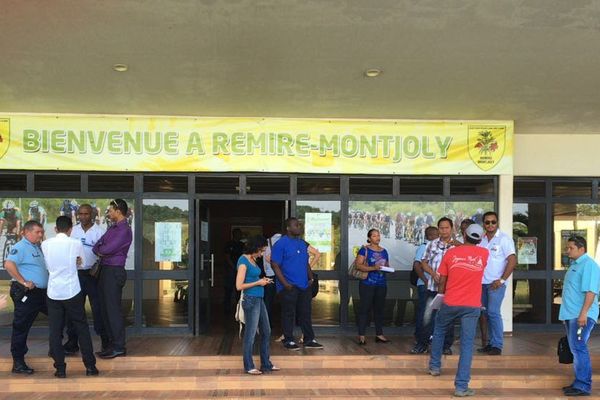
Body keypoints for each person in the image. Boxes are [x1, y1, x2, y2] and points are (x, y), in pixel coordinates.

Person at [428, 224, 489, 398]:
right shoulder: (484, 254)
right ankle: (461, 387)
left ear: (464, 234)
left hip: (450, 301)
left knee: (439, 330)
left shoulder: (451, 253)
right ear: (480, 237)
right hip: (471, 305)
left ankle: (434, 367)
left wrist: (440, 296)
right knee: (467, 344)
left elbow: (442, 280)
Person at [42, 216, 98, 378]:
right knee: (81, 327)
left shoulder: (45, 244)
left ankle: (60, 369)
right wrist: (76, 262)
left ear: (55, 229)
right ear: (70, 229)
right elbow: (83, 263)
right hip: (72, 290)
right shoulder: (75, 243)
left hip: (53, 291)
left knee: (55, 330)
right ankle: (90, 367)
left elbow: (47, 265)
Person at [271, 217, 323, 351]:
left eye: (299, 225)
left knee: (305, 313)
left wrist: (310, 277)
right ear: (288, 228)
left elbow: (305, 262)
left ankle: (309, 339)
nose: (299, 227)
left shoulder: (302, 243)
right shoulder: (281, 243)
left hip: (304, 285)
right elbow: (275, 264)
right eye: (296, 225)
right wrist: (285, 284)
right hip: (288, 286)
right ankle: (288, 340)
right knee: (289, 313)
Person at [63, 204, 108, 354]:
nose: (83, 216)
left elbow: (105, 253)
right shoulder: (73, 231)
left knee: (98, 309)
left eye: (86, 214)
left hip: (93, 276)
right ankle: (72, 342)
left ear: (93, 214)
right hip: (77, 275)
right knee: (74, 310)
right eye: (80, 214)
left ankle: (105, 341)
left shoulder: (100, 232)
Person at [4, 220, 48, 374]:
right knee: (21, 326)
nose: (40, 235)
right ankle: (18, 362)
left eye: (41, 232)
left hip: (42, 294)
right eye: (37, 232)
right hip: (27, 293)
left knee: (60, 315)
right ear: (27, 232)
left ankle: (60, 349)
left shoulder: (37, 247)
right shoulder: (20, 247)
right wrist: (23, 282)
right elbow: (9, 264)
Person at [559, 236, 600, 397]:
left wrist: (583, 314)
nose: (567, 250)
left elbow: (591, 291)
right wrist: (565, 315)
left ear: (581, 249)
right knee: (575, 348)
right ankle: (578, 383)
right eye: (567, 248)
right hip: (571, 315)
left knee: (578, 347)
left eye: (571, 248)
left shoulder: (588, 265)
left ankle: (583, 385)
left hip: (581, 316)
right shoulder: (575, 265)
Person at [93, 199, 133, 359]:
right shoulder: (112, 228)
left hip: (114, 271)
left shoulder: (124, 230)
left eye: (110, 210)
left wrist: (102, 249)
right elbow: (97, 246)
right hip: (105, 270)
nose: (108, 213)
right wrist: (101, 249)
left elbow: (107, 248)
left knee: (113, 310)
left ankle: (119, 346)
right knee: (104, 309)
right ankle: (110, 345)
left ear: (118, 211)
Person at [236, 235, 279, 375]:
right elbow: (239, 285)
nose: (262, 254)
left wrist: (263, 280)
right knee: (251, 334)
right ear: (255, 248)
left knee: (266, 331)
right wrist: (258, 283)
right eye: (261, 251)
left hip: (259, 299)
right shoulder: (243, 261)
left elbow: (253, 277)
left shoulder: (252, 259)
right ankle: (249, 366)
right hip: (250, 300)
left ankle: (266, 364)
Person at [478, 211, 516, 355]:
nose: (490, 225)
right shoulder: (480, 239)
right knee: (485, 314)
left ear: (497, 222)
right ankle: (490, 343)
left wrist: (501, 280)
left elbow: (512, 261)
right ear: (484, 224)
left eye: (493, 222)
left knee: (493, 313)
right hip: (481, 283)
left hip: (496, 284)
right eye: (487, 222)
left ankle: (497, 345)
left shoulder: (504, 239)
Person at [419, 217, 457, 355]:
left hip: (450, 289)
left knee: (449, 318)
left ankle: (446, 346)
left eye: (447, 228)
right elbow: (423, 262)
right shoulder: (432, 244)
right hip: (433, 287)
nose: (444, 230)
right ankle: (422, 344)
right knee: (427, 317)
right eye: (441, 228)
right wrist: (433, 273)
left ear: (451, 229)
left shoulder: (457, 246)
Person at [355, 229, 390, 345]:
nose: (377, 237)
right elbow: (358, 266)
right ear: (369, 238)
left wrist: (387, 268)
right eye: (374, 236)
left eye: (378, 235)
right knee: (365, 309)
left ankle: (379, 334)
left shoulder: (384, 251)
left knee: (379, 310)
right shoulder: (364, 250)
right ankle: (361, 335)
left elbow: (387, 265)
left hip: (381, 284)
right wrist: (373, 268)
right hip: (367, 284)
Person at [410, 226, 439, 354]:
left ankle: (428, 338)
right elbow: (417, 264)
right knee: (425, 314)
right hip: (425, 285)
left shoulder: (438, 247)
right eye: (436, 234)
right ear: (430, 236)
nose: (438, 236)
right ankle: (421, 340)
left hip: (436, 286)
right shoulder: (424, 246)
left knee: (432, 314)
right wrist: (426, 280)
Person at [262, 231, 283, 325]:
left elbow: (264, 261)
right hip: (282, 275)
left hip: (270, 274)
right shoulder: (284, 241)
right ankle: (283, 324)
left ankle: (267, 322)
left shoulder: (267, 242)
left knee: (268, 299)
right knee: (284, 300)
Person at [223, 228, 245, 314]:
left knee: (239, 290)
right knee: (229, 288)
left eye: (240, 234)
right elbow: (227, 257)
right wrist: (233, 266)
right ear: (234, 234)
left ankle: (239, 308)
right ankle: (227, 308)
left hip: (240, 269)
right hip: (230, 269)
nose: (239, 235)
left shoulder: (242, 244)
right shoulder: (229, 244)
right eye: (238, 234)